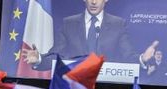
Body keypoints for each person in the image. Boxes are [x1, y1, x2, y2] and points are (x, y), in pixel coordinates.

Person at [21, 0, 158, 71]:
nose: (93, 2)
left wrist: (142, 59)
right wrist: (39, 59)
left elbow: (128, 56)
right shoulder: (69, 23)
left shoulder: (118, 24)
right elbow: (57, 56)